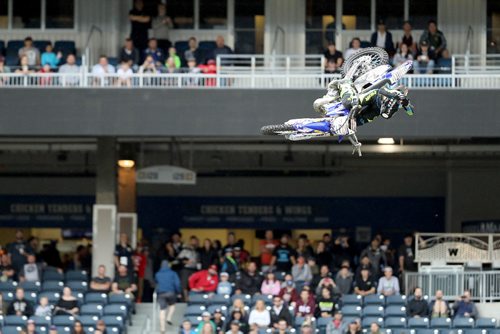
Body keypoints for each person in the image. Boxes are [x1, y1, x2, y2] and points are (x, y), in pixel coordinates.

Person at [155, 260, 181, 332]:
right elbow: (177, 283)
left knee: (162, 310)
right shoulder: (173, 273)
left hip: (161, 293)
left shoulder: (157, 274)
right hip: (171, 292)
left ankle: (162, 328)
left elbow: (156, 283)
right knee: (172, 305)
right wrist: (178, 292)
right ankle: (169, 318)